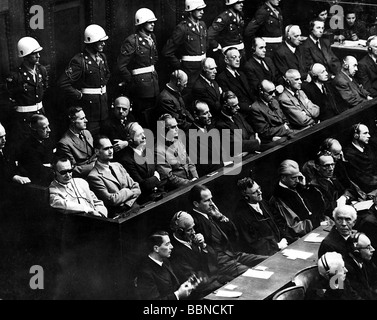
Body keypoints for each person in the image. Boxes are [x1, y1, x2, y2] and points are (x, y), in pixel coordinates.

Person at [189, 184, 268, 283]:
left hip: (232, 255)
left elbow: (234, 236)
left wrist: (220, 217)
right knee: (255, 274)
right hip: (220, 263)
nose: (212, 203)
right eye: (207, 201)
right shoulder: (193, 222)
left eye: (211, 199)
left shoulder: (212, 213)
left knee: (268, 260)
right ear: (196, 204)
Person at [58, 24, 110, 134]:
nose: (103, 44)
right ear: (91, 42)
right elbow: (63, 83)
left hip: (104, 108)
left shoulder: (102, 57)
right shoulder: (79, 61)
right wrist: (79, 95)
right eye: (100, 41)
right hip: (89, 110)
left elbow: (107, 75)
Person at [6, 36, 48, 156]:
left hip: (40, 113)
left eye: (38, 53)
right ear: (25, 56)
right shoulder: (16, 76)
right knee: (26, 148)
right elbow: (9, 98)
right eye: (35, 54)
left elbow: (44, 88)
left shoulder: (42, 71)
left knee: (42, 144)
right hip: (24, 119)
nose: (39, 56)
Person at [116, 8, 159, 128]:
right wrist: (132, 81)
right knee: (143, 117)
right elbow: (121, 66)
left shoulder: (152, 38)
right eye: (149, 22)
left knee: (154, 114)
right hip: (141, 87)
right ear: (141, 23)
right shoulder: (132, 41)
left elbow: (154, 59)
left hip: (153, 82)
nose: (152, 24)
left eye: (153, 22)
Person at [169, 211, 222, 298]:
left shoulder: (192, 239)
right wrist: (217, 281)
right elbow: (192, 279)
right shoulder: (174, 251)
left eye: (193, 228)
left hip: (212, 280)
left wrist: (203, 246)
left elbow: (214, 258)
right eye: (189, 230)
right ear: (180, 231)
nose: (194, 232)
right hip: (199, 291)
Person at [234, 177, 292, 255]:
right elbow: (253, 242)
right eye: (255, 192)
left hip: (284, 244)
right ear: (246, 196)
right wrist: (277, 246)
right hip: (268, 253)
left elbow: (280, 221)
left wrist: (285, 238)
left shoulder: (264, 203)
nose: (260, 192)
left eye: (259, 188)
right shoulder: (241, 216)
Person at [87, 135, 141, 218]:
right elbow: (112, 200)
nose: (110, 151)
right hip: (119, 216)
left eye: (111, 147)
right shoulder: (93, 176)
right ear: (97, 151)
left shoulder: (118, 165)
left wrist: (126, 203)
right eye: (106, 149)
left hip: (135, 208)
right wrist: (127, 191)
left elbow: (137, 188)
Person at [135, 230, 199, 300]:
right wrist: (178, 295)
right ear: (156, 248)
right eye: (167, 244)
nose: (171, 247)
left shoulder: (165, 261)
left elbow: (173, 285)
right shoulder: (145, 273)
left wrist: (188, 284)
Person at [270, 159, 326, 238]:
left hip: (318, 226)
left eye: (298, 177)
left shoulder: (300, 187)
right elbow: (294, 227)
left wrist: (307, 187)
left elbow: (320, 206)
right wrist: (316, 223)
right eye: (293, 178)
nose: (297, 180)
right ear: (283, 177)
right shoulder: (279, 198)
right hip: (304, 235)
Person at [162, 0, 208, 91]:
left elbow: (207, 45)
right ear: (190, 10)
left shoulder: (202, 25)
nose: (202, 12)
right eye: (199, 9)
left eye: (202, 9)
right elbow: (167, 52)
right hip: (190, 71)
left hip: (203, 68)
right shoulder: (182, 28)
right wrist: (180, 66)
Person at [120, 122, 166, 204]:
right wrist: (156, 177)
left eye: (143, 133)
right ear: (130, 139)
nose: (144, 137)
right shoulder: (126, 159)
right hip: (146, 200)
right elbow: (142, 185)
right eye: (139, 135)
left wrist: (155, 182)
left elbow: (162, 174)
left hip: (161, 192)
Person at [155, 114, 198, 191]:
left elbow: (189, 162)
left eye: (177, 126)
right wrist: (189, 183)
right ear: (164, 129)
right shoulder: (158, 150)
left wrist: (195, 178)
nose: (177, 129)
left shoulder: (177, 141)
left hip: (191, 183)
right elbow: (169, 177)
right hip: (177, 189)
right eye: (173, 127)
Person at [309, 151, 357, 218]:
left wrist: (344, 197)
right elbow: (326, 209)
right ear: (317, 167)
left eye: (332, 164)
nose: (331, 169)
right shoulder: (314, 186)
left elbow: (350, 189)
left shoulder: (333, 178)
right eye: (326, 166)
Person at [215, 90, 261, 158]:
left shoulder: (237, 115)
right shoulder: (220, 124)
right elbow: (235, 145)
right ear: (225, 106)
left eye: (238, 104)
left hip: (248, 154)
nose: (238, 108)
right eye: (234, 106)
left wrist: (247, 149)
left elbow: (251, 132)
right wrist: (256, 142)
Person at [249, 79, 296, 144]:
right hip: (272, 139)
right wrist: (284, 128)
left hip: (286, 133)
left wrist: (285, 127)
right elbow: (264, 131)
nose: (274, 94)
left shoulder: (274, 101)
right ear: (261, 92)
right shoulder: (255, 108)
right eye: (270, 93)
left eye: (274, 91)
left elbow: (284, 119)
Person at [56, 107, 96, 178]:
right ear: (72, 121)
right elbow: (73, 169)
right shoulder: (64, 143)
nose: (86, 120)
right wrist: (94, 166)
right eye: (82, 119)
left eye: (85, 117)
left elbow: (94, 154)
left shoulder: (87, 133)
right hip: (83, 176)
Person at [187, 100, 223, 177]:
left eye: (209, 112)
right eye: (205, 113)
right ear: (196, 116)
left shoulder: (211, 128)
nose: (210, 115)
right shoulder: (190, 136)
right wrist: (223, 163)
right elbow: (200, 164)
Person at [216, 47, 255, 116]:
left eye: (239, 57)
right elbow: (230, 100)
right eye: (234, 57)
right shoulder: (222, 78)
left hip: (252, 107)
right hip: (240, 112)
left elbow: (250, 92)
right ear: (226, 60)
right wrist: (250, 107)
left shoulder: (241, 74)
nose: (237, 60)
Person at [18, 114, 54, 186]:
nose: (49, 130)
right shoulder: (27, 148)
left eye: (48, 126)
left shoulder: (48, 140)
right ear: (34, 130)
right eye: (44, 128)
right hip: (39, 184)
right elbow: (40, 172)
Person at [208, 0, 246, 67]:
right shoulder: (224, 17)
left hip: (241, 52)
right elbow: (209, 35)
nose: (242, 4)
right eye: (238, 2)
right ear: (232, 3)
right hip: (229, 54)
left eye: (242, 2)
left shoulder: (240, 14)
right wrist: (217, 46)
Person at [0, 123, 31, 205]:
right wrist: (13, 177)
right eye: (0, 138)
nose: (4, 140)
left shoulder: (7, 149)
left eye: (4, 136)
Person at [343, 123, 377, 194]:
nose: (369, 136)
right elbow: (360, 178)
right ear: (356, 135)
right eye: (365, 133)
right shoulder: (349, 154)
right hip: (368, 189)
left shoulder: (369, 146)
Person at [99, 96, 135, 162]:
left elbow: (139, 136)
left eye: (124, 109)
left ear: (129, 109)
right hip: (118, 157)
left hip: (132, 153)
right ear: (113, 107)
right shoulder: (107, 124)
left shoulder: (131, 118)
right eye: (118, 108)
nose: (121, 111)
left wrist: (127, 143)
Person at [344, 231, 377, 300]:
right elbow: (353, 295)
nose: (373, 249)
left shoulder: (366, 261)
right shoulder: (346, 270)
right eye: (368, 247)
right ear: (356, 252)